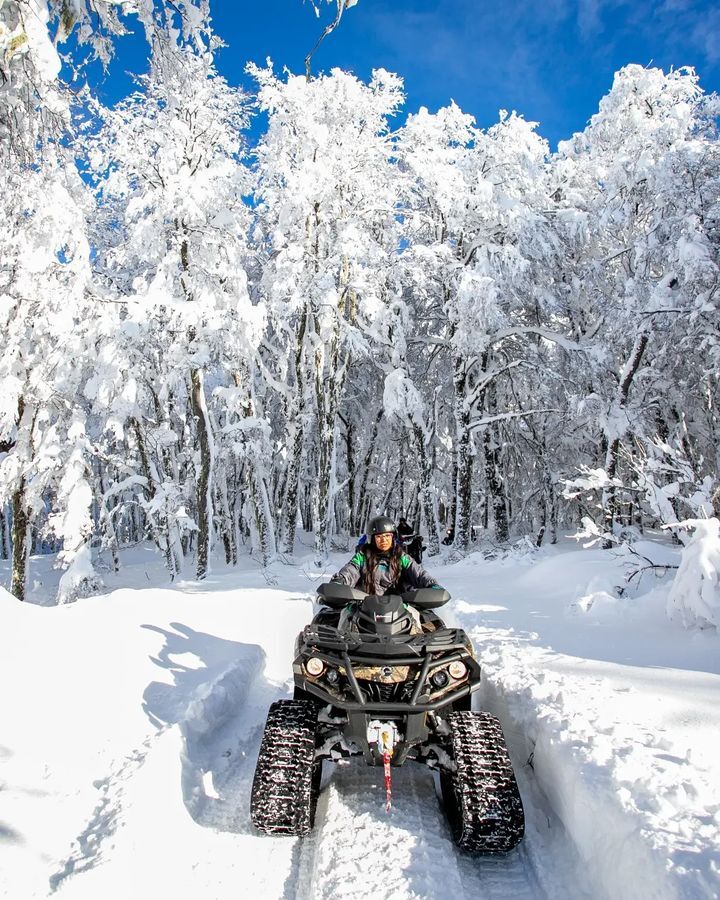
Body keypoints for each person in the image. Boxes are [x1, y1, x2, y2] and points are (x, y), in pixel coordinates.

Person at [331, 515, 441, 596]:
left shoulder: (401, 556)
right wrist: (340, 580)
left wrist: (431, 584)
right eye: (379, 537)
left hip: (399, 607)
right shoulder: (362, 556)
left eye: (387, 536)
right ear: (372, 539)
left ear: (393, 537)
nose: (384, 540)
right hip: (364, 605)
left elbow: (418, 572)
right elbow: (351, 570)